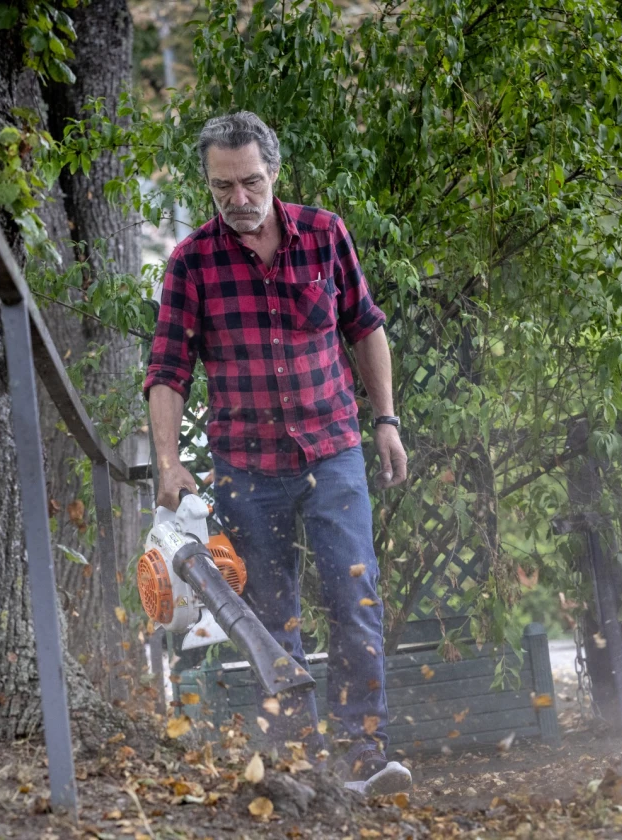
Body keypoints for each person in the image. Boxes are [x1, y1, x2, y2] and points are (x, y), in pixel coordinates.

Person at [143, 111, 411, 795]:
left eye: (250, 182)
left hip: (332, 451)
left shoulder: (324, 234)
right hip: (245, 467)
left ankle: (364, 752)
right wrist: (169, 461)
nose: (238, 199)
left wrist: (385, 419)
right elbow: (169, 371)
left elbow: (366, 328)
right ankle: (300, 762)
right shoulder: (192, 263)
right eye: (222, 187)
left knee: (353, 595)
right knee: (269, 616)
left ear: (275, 173)